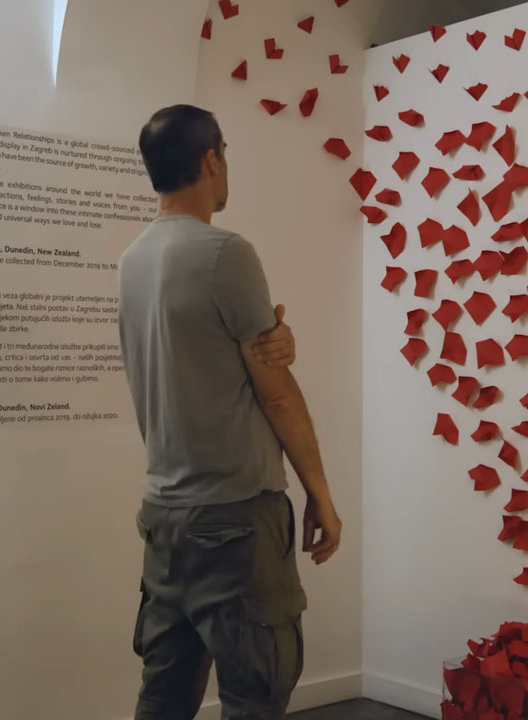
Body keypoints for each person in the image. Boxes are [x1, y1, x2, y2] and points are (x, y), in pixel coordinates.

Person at [118, 104, 343, 720]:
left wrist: (275, 342)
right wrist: (318, 492)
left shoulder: (132, 261)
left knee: (164, 698)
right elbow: (275, 390)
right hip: (237, 521)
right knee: (257, 695)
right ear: (211, 159)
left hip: (164, 519)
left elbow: (219, 355)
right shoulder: (225, 253)